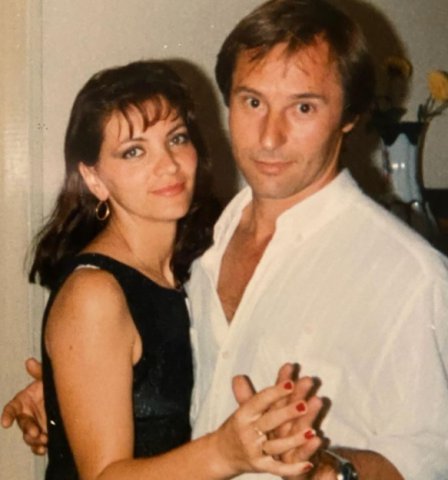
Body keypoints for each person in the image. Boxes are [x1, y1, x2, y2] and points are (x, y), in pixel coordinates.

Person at [4, 0, 448, 478]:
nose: (270, 137)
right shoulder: (202, 246)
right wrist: (76, 395)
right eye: (253, 102)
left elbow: (433, 455)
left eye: (302, 107)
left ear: (349, 115)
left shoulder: (407, 275)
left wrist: (332, 469)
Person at [2, 59, 322, 480]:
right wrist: (224, 452)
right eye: (134, 151)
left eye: (177, 138)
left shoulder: (198, 266)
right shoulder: (95, 294)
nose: (168, 164)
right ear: (94, 179)